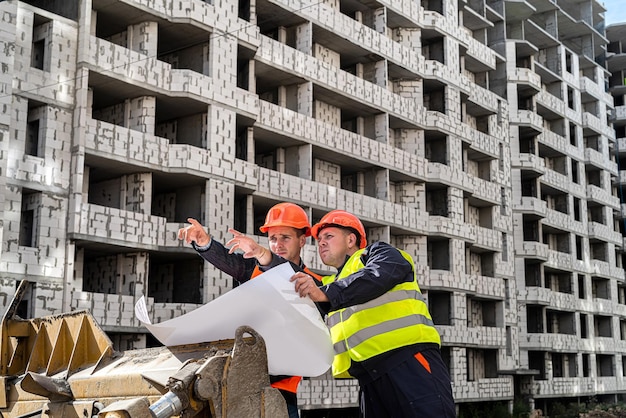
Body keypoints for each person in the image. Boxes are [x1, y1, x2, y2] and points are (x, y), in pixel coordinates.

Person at [290, 210, 456, 418]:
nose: (321, 243)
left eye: (329, 236)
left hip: (408, 363)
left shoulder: (379, 254)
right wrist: (262, 256)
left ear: (351, 239)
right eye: (319, 239)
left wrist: (325, 293)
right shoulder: (330, 284)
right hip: (369, 378)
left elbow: (377, 276)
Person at [178, 202, 320, 418]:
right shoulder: (254, 270)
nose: (277, 244)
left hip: (281, 389)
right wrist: (204, 242)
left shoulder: (315, 283)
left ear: (302, 240)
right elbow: (228, 260)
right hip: (242, 383)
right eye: (272, 238)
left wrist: (264, 256)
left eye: (285, 237)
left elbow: (288, 276)